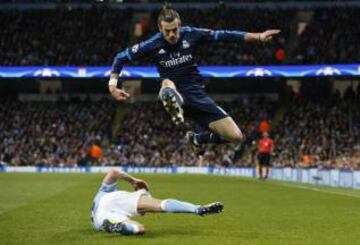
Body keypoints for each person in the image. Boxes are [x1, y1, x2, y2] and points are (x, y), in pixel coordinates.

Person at [108, 4, 280, 155]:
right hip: (174, 90)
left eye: (175, 29)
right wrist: (113, 85)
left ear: (180, 25)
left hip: (196, 95)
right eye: (167, 31)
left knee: (236, 137)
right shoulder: (153, 44)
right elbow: (121, 57)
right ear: (160, 29)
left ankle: (198, 138)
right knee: (167, 83)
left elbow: (224, 35)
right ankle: (173, 103)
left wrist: (257, 36)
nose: (172, 34)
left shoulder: (191, 35)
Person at [91, 169, 224, 235]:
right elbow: (114, 172)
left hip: (99, 220)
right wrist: (133, 181)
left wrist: (133, 181)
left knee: (139, 229)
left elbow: (112, 173)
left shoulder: (101, 198)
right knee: (160, 204)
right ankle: (197, 208)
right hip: (114, 201)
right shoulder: (108, 194)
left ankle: (117, 226)